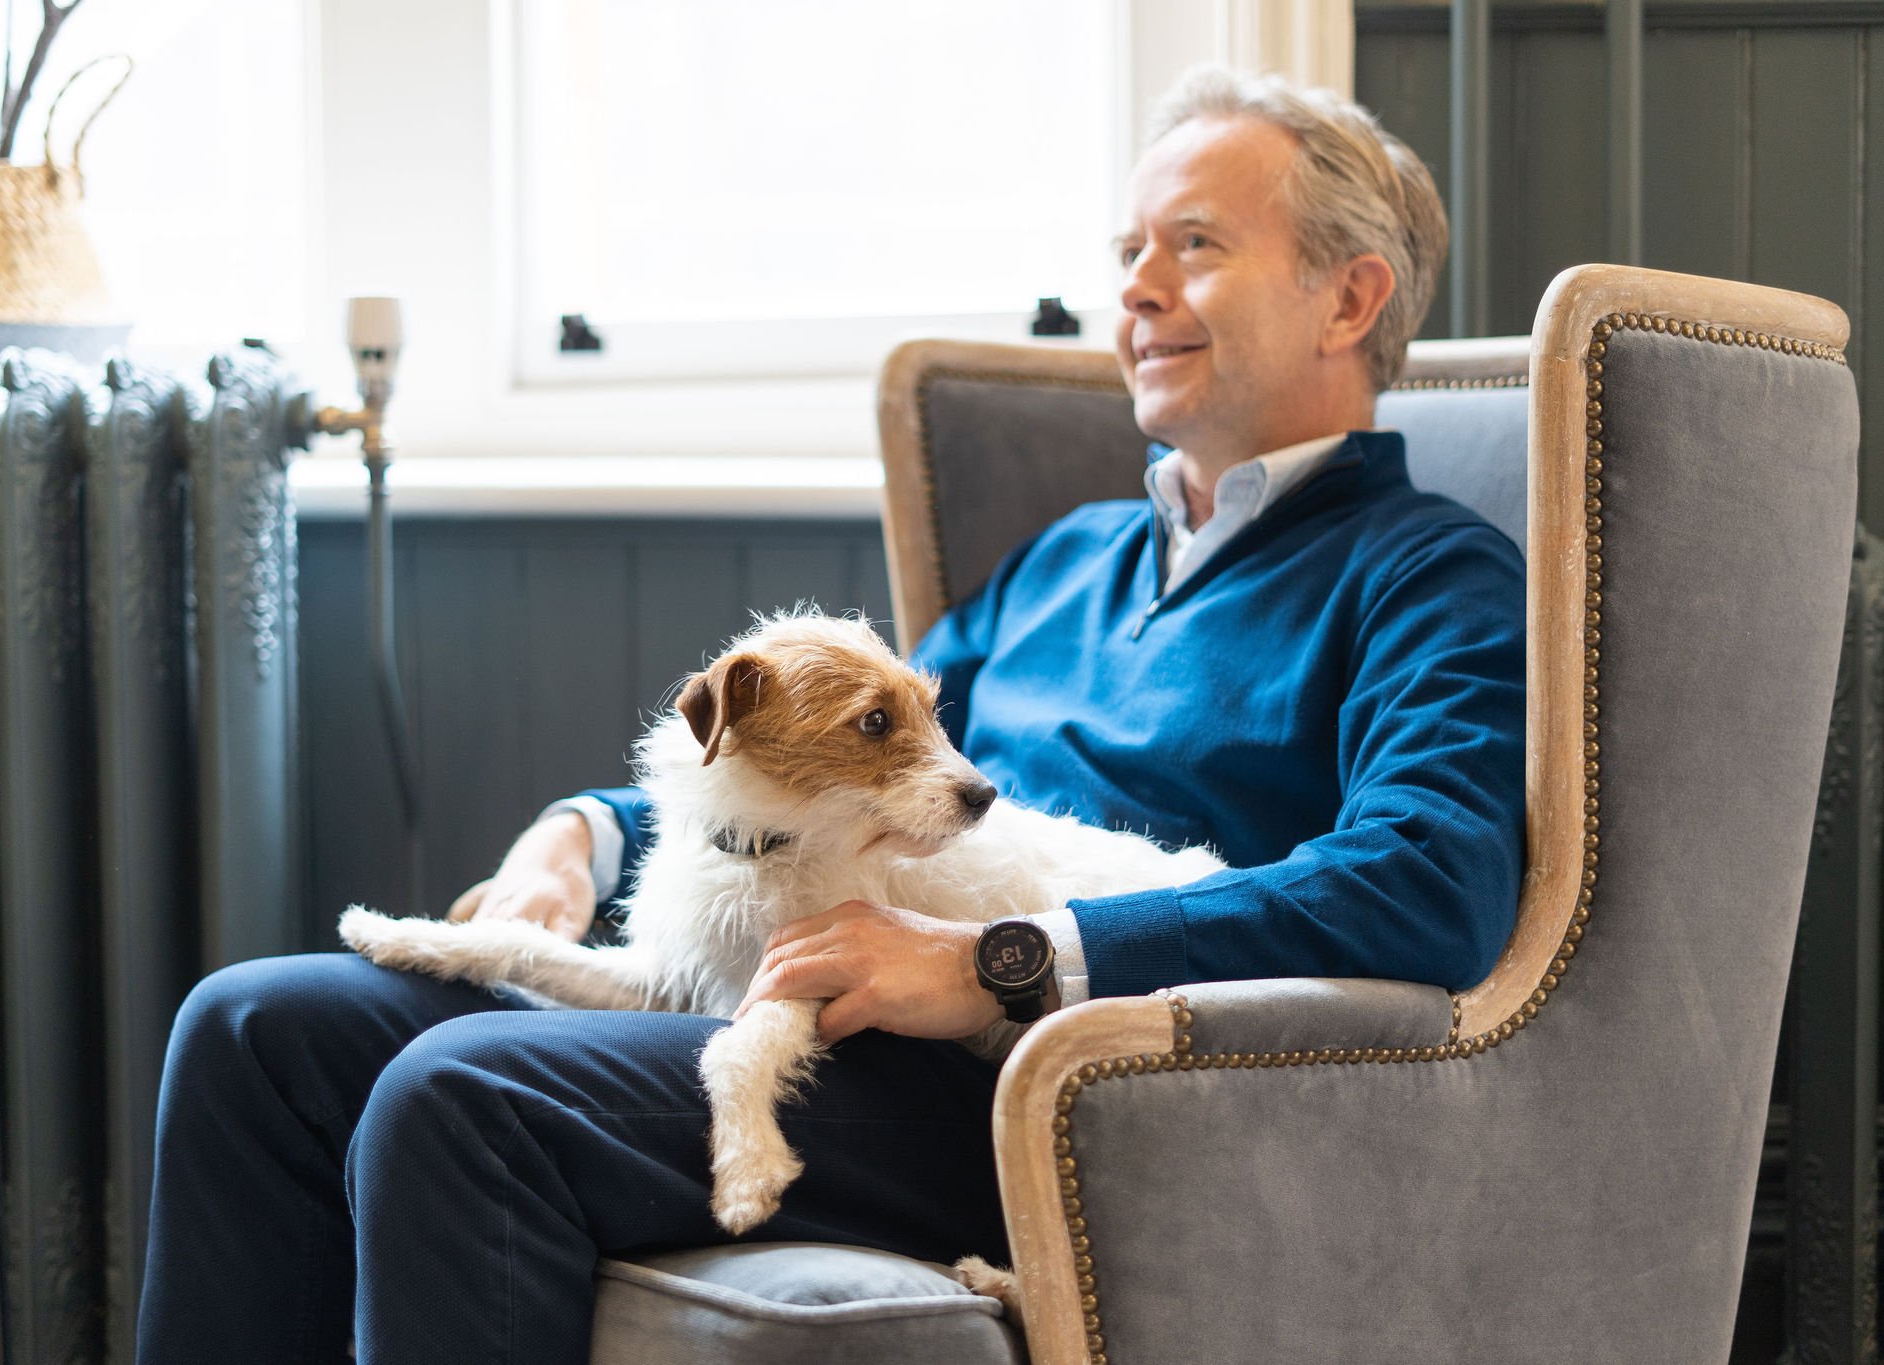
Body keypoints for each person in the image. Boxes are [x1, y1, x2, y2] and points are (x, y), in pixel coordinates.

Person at [137, 65, 1523, 1363]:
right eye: (1128, 255)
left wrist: (1001, 962)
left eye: (1197, 246)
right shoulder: (1069, 560)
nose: (1139, 291)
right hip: (824, 999)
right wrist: (588, 835)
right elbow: (829, 765)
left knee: (466, 1092)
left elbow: (1430, 887)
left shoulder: (1428, 576)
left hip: (1033, 1092)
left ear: (1350, 300)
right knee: (254, 1028)